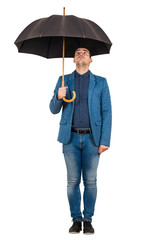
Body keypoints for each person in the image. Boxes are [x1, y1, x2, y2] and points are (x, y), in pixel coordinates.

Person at [49, 48, 112, 234]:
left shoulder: (101, 82)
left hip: (93, 139)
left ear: (91, 60)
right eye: (77, 52)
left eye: (85, 52)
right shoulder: (64, 81)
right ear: (73, 59)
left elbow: (107, 112)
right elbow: (53, 109)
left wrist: (105, 140)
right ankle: (76, 219)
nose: (81, 54)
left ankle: (88, 219)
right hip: (70, 139)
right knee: (72, 181)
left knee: (91, 182)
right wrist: (58, 97)